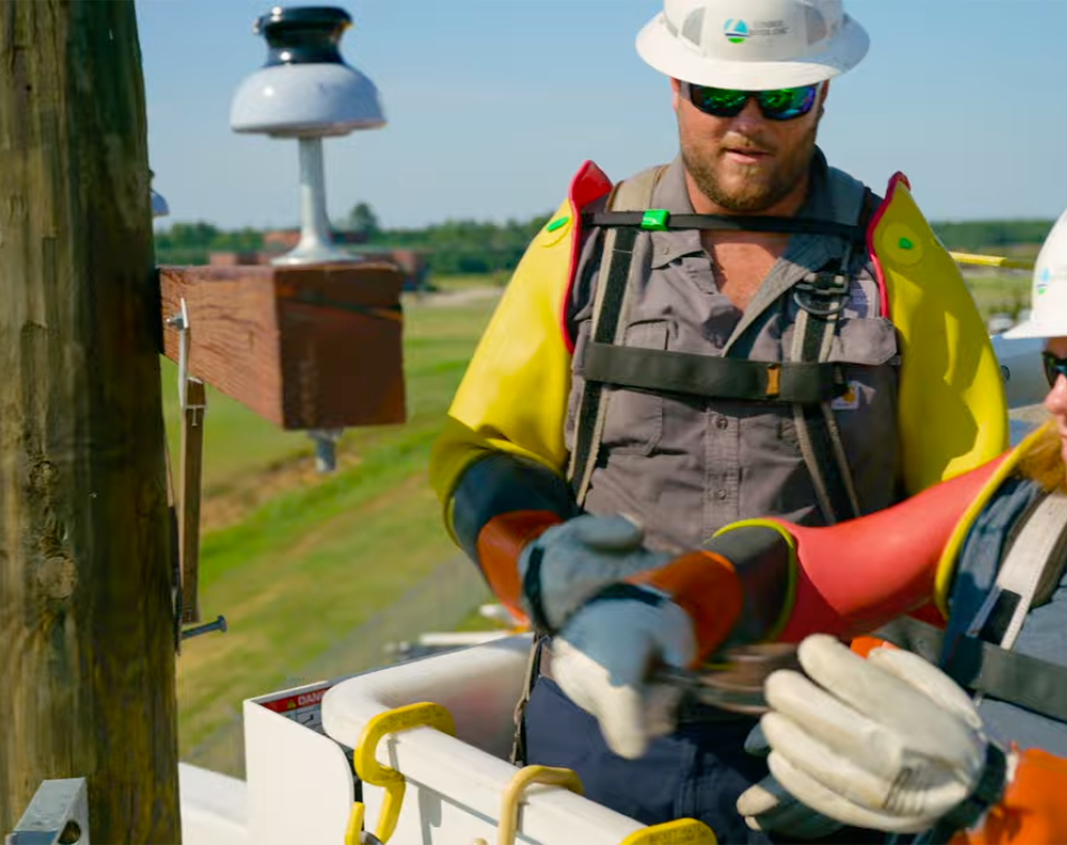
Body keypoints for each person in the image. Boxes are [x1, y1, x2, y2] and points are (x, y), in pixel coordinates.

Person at [547, 164, 1067, 844]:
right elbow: (814, 571)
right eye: (1054, 367)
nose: (1057, 402)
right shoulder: (1030, 494)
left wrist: (995, 798)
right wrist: (670, 602)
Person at [427, 1, 1009, 841]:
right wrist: (542, 572)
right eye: (716, 93)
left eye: (780, 99)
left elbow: (966, 513)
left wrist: (901, 697)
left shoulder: (894, 261)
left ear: (822, 94)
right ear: (673, 86)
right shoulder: (587, 247)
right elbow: (479, 454)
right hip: (599, 727)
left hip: (824, 735)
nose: (746, 124)